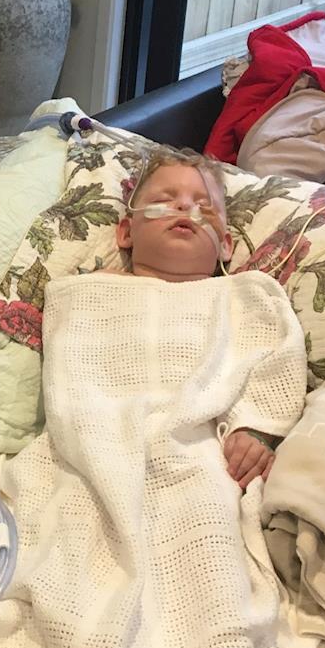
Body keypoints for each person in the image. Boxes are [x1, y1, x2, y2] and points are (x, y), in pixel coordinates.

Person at [116, 146, 276, 492]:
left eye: (204, 207)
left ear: (225, 246)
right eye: (165, 199)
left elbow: (275, 360)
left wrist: (254, 427)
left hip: (202, 459)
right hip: (107, 438)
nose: (185, 207)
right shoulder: (93, 290)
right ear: (126, 233)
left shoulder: (243, 298)